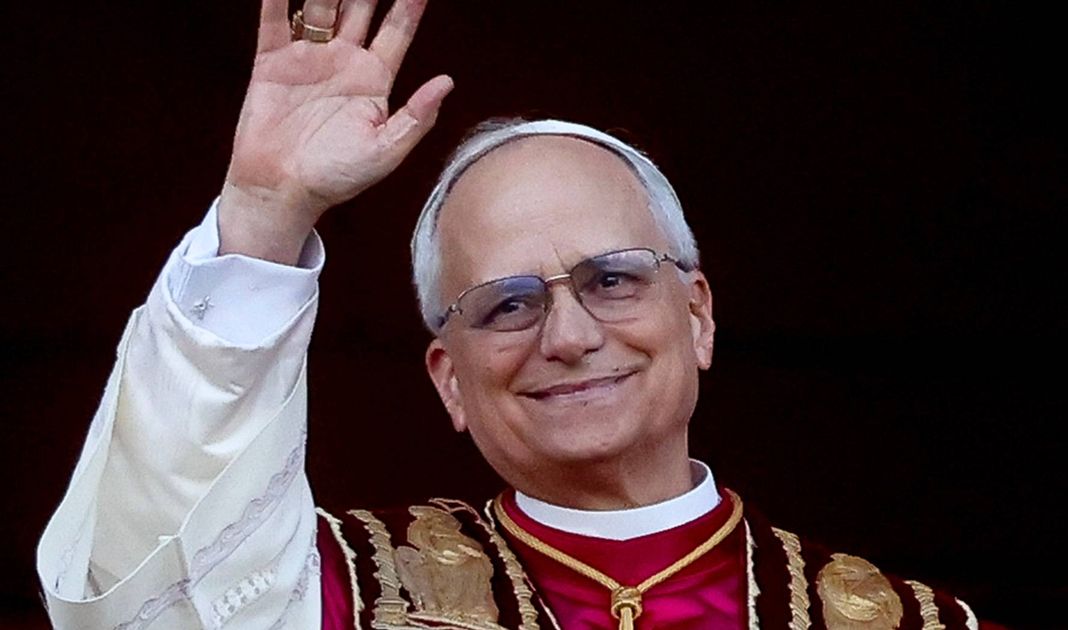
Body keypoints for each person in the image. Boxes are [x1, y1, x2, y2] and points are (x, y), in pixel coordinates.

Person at [36, 0, 981, 628]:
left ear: (697, 314)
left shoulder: (912, 621)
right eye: (508, 305)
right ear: (449, 378)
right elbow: (146, 593)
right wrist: (263, 215)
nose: (568, 337)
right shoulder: (339, 593)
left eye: (613, 279)